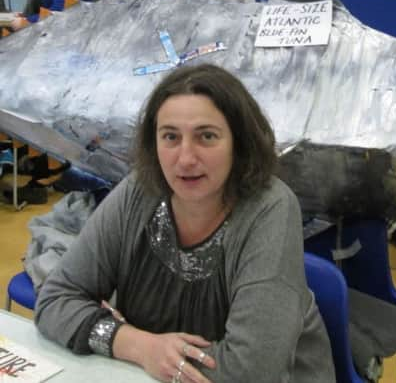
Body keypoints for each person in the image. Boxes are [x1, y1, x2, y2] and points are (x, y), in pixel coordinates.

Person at [34, 64, 336, 383]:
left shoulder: (269, 207)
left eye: (206, 136)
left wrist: (153, 357)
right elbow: (55, 300)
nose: (186, 158)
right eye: (170, 137)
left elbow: (253, 371)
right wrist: (139, 346)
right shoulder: (138, 192)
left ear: (240, 143)